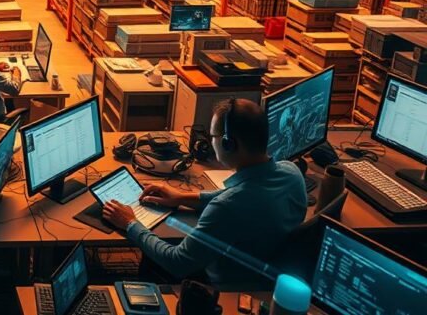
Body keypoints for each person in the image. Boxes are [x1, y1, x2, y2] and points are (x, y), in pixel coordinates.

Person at [101, 98, 307, 287]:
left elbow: (177, 262)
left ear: (229, 144)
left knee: (153, 256)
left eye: (213, 136)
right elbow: (243, 195)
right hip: (267, 273)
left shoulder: (227, 207)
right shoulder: (291, 171)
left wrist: (130, 223)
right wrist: (182, 198)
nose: (211, 142)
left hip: (227, 289)